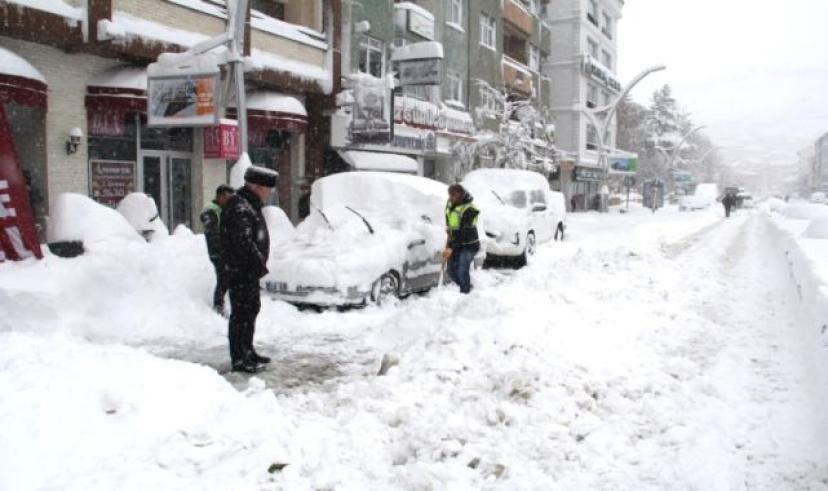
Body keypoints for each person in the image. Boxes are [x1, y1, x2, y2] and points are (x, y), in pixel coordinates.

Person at [220, 166, 277, 373]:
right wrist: (258, 264)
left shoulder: (249, 205)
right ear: (258, 187)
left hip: (248, 271)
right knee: (241, 314)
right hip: (241, 271)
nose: (269, 193)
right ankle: (239, 358)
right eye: (267, 189)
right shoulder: (240, 207)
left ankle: (248, 350)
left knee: (250, 311)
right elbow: (243, 243)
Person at [200, 185, 235, 313]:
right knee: (223, 278)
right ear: (219, 196)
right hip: (218, 252)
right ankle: (218, 306)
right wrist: (222, 248)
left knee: (226, 278)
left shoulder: (222, 209)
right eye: (227, 197)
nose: (229, 200)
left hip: (225, 251)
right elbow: (212, 233)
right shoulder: (211, 211)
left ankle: (220, 305)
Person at [443, 184, 480, 294]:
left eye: (454, 194)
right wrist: (449, 244)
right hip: (456, 243)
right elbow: (450, 225)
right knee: (450, 270)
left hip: (469, 245)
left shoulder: (470, 209)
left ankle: (465, 293)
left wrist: (452, 237)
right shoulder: (450, 206)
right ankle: (467, 287)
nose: (451, 197)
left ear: (461, 194)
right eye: (450, 194)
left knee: (462, 270)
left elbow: (465, 230)